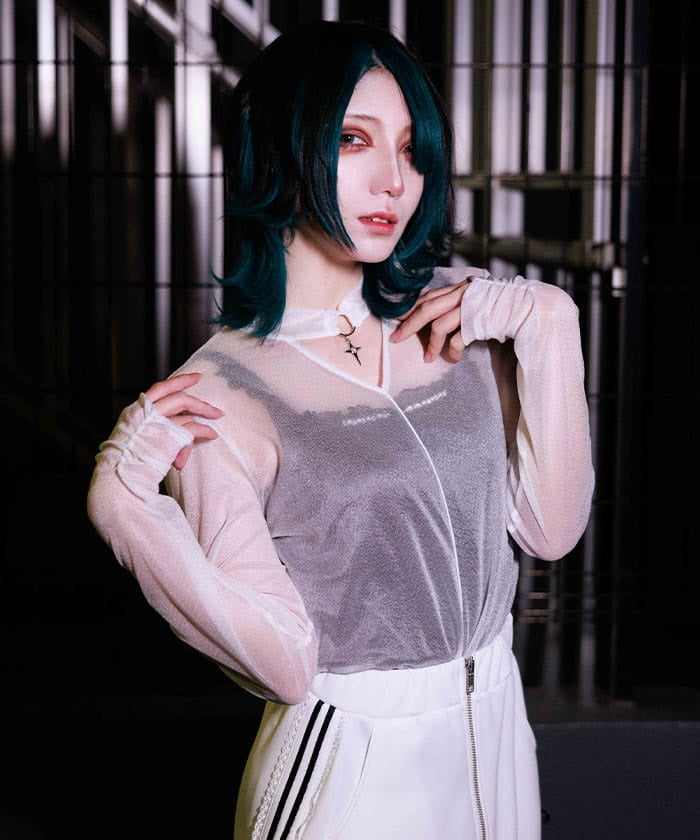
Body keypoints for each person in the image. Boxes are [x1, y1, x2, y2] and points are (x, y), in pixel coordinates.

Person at [87, 19, 594, 840]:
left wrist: (553, 322)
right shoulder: (221, 394)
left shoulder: (468, 313)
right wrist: (127, 513)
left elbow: (550, 528)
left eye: (412, 150)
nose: (395, 180)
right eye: (354, 140)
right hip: (352, 773)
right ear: (280, 152)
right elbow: (285, 666)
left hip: (497, 730)